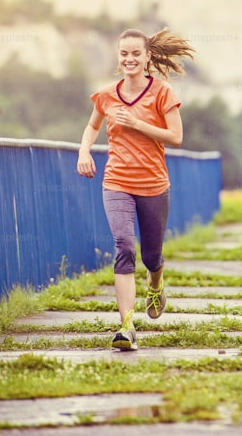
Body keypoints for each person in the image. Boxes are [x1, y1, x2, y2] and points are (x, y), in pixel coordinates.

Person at [77, 28, 195, 351]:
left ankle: (156, 281)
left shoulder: (161, 92)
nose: (129, 59)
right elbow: (92, 126)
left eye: (135, 54)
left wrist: (137, 124)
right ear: (118, 57)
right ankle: (126, 327)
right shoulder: (106, 94)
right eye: (123, 54)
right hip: (116, 182)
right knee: (125, 245)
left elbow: (176, 137)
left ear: (147, 57)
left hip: (154, 185)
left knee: (152, 255)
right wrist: (84, 151)